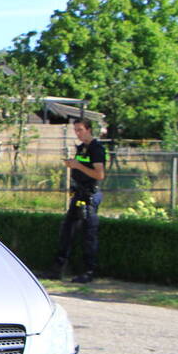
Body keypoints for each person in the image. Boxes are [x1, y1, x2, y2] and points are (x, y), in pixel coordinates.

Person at [53, 117, 106, 283]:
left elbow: (99, 174)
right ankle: (58, 270)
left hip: (90, 195)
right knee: (67, 231)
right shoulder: (82, 148)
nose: (77, 133)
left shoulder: (96, 149)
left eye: (80, 130)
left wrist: (77, 166)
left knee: (88, 234)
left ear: (89, 129)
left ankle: (89, 272)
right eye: (75, 130)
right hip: (79, 194)